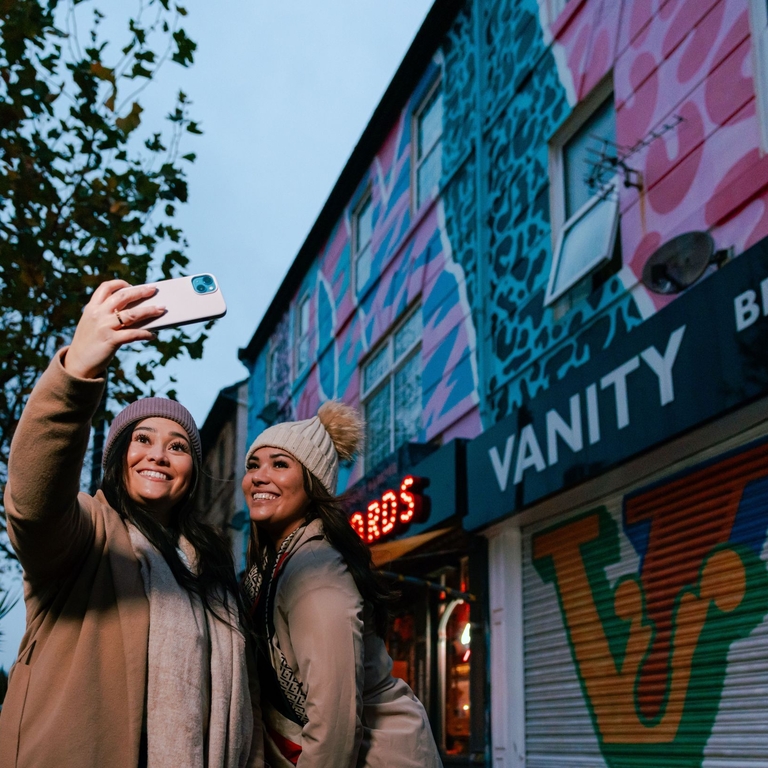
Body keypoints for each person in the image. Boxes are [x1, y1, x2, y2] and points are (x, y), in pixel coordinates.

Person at [0, 280, 262, 768]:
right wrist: (78, 371)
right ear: (118, 458)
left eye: (178, 446)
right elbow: (33, 501)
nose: (159, 455)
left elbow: (245, 708)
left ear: (191, 471)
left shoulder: (212, 572)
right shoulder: (86, 534)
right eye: (142, 439)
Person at [241, 401, 443, 768]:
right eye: (254, 464)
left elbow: (335, 719)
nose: (258, 475)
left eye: (280, 464)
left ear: (312, 485)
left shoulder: (313, 570)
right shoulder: (273, 568)